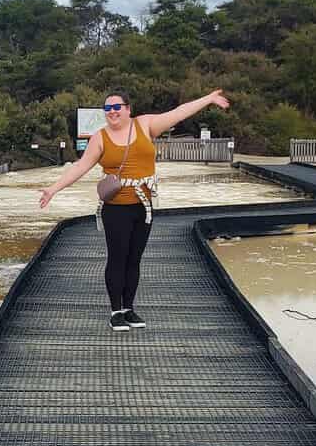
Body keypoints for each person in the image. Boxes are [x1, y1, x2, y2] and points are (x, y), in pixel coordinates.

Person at [39, 88, 230, 332]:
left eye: (117, 107)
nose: (112, 112)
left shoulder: (145, 125)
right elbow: (80, 167)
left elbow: (179, 112)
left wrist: (208, 99)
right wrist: (53, 189)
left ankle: (129, 308)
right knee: (117, 258)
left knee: (134, 259)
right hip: (115, 208)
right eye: (107, 109)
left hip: (143, 206)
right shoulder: (100, 137)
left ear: (128, 109)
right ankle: (115, 311)